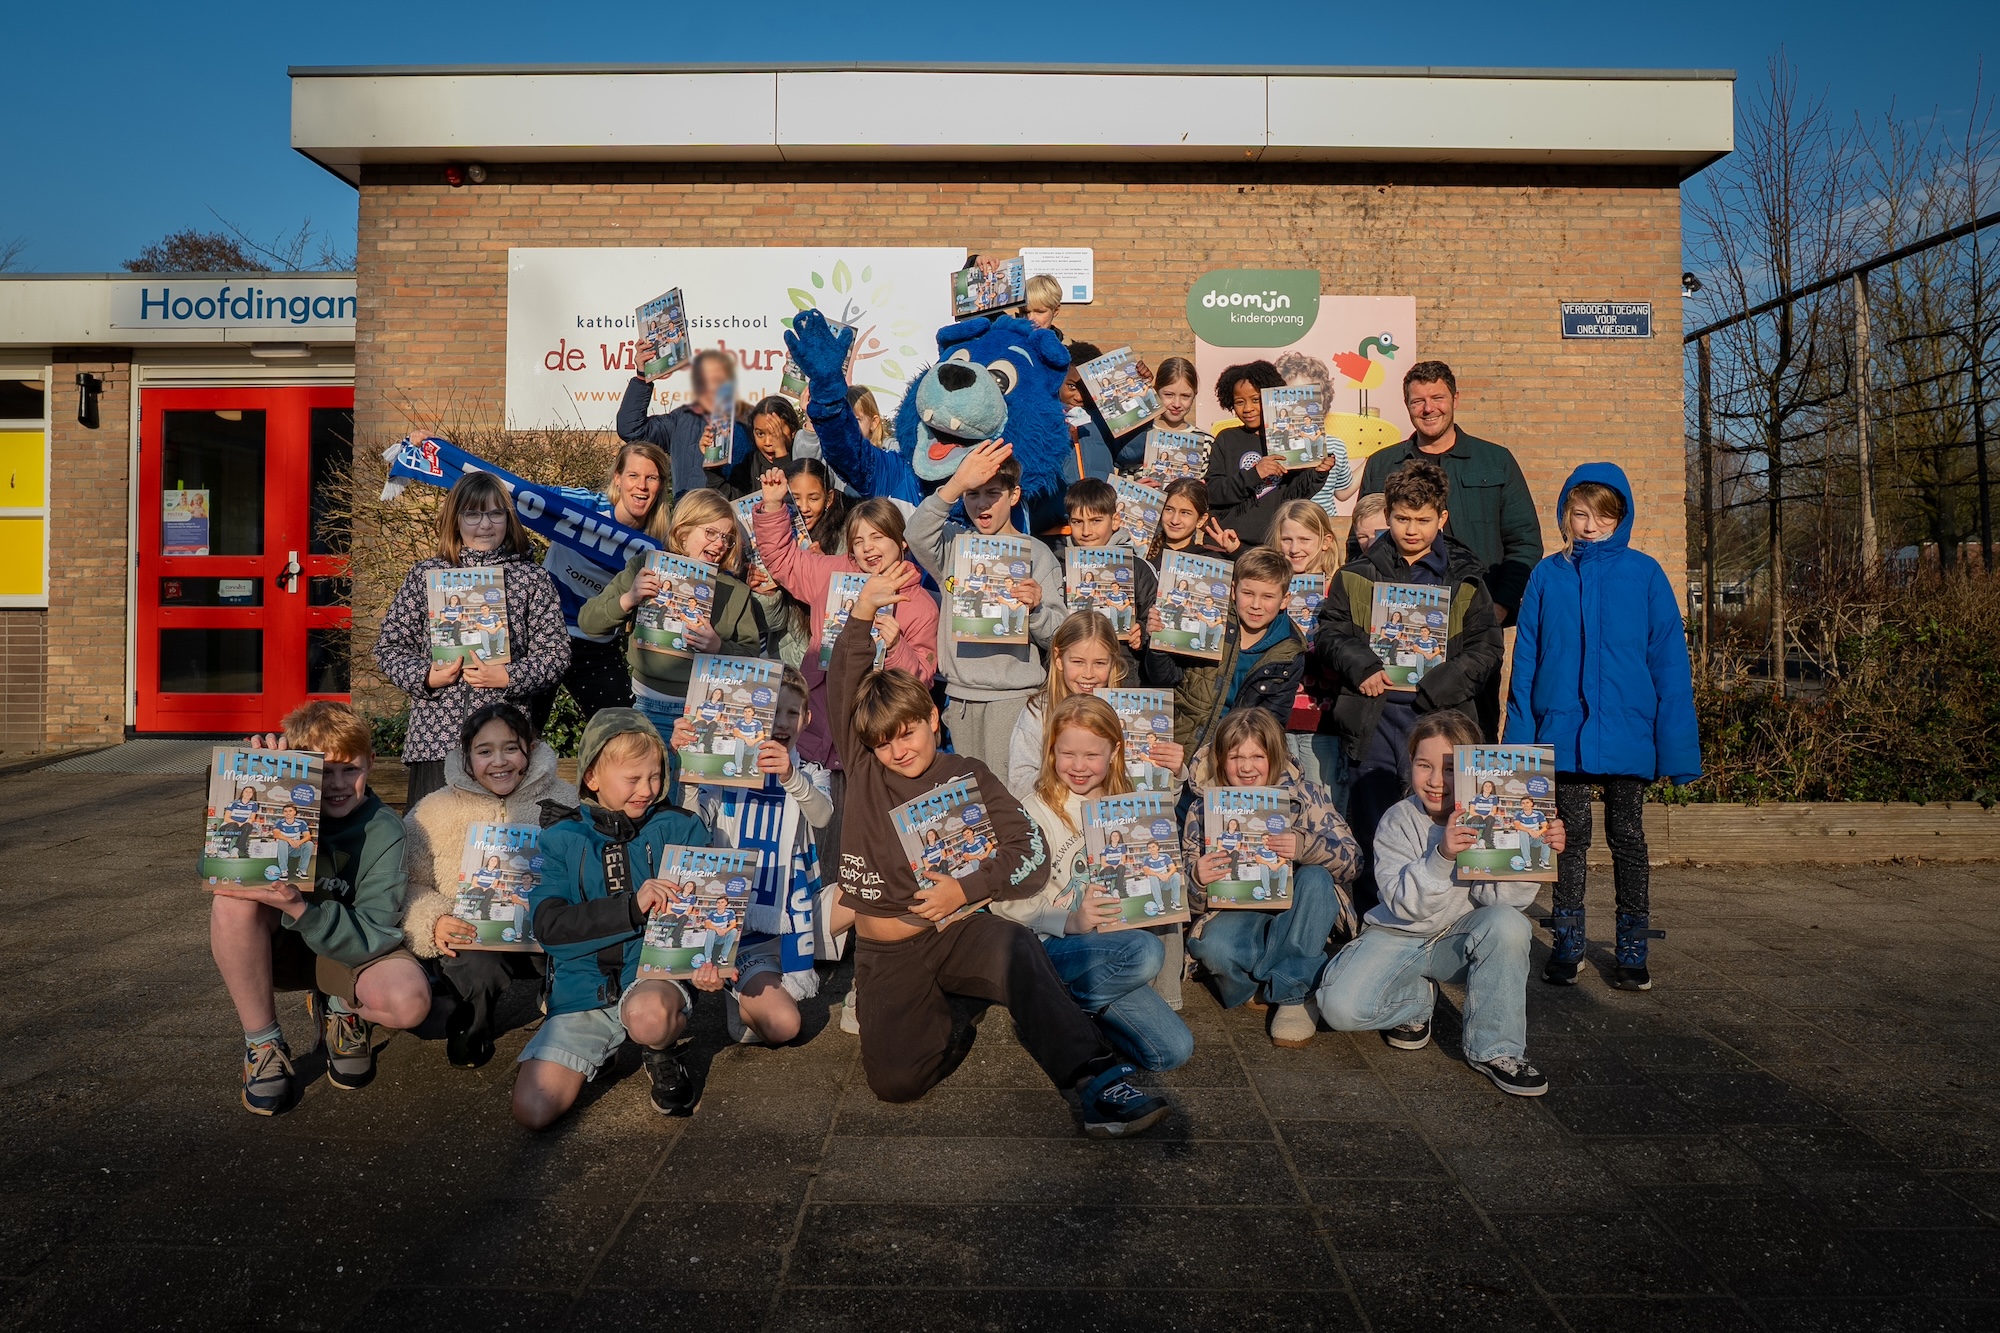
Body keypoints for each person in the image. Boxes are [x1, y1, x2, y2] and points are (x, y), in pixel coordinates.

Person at [826, 565, 1169, 1136]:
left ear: (933, 719)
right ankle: (954, 1009)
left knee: (1016, 948)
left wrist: (967, 888)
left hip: (960, 927)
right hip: (888, 953)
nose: (897, 748)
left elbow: (1027, 847)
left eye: (907, 732)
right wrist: (861, 618)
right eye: (883, 741)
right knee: (897, 1085)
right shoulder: (864, 770)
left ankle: (1098, 1081)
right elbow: (846, 682)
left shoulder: (969, 774)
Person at [1506, 463, 1700, 992]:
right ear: (1566, 513)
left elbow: (1669, 665)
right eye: (1580, 513)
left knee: (1628, 837)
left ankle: (1632, 945)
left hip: (1627, 732)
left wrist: (1677, 750)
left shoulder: (1645, 574)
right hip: (1562, 733)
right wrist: (1519, 749)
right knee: (1566, 840)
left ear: (1622, 518)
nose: (1589, 526)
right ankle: (1568, 942)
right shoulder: (1547, 574)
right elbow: (1526, 663)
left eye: (1602, 516)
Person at [1314, 711, 1563, 1096]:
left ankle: (1495, 1048)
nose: (1435, 781)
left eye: (1449, 769)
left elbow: (1504, 901)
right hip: (1398, 933)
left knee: (1511, 925)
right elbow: (1404, 906)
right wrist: (1442, 855)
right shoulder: (1398, 820)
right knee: (1338, 1008)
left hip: (1457, 939)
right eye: (1423, 765)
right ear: (1409, 764)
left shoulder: (1492, 816)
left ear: (1472, 770)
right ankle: (1415, 1000)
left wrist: (1534, 857)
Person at [212, 702, 431, 1115]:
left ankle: (342, 1010)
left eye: (351, 769)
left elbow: (376, 931)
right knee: (230, 900)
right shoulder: (281, 802)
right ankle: (263, 1045)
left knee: (410, 1004)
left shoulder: (385, 828)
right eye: (323, 771)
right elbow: (218, 866)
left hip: (351, 950)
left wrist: (304, 910)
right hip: (283, 947)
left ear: (370, 764)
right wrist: (259, 779)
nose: (337, 784)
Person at [1312, 460, 1501, 901]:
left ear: (1442, 519)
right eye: (1401, 519)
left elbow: (1487, 651)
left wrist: (1437, 687)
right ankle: (1372, 926)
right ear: (1388, 515)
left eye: (1422, 520)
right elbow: (1330, 633)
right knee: (1374, 829)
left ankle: (1442, 921)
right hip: (1374, 724)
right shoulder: (1358, 574)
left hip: (1439, 722)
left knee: (1440, 830)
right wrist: (1363, 667)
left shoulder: (1468, 581)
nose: (1411, 530)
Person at [517, 709, 714, 1127]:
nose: (647, 790)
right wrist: (629, 906)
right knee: (532, 1111)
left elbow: (703, 918)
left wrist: (708, 961)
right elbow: (550, 927)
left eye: (655, 776)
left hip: (648, 977)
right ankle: (599, 1049)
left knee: (649, 1017)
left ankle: (661, 1051)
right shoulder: (561, 837)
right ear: (592, 778)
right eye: (633, 779)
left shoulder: (681, 828)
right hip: (582, 987)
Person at [753, 467, 938, 890]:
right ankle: (814, 923)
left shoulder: (920, 605)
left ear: (901, 542)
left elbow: (924, 677)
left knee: (867, 839)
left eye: (879, 537)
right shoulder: (831, 573)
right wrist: (774, 506)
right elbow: (783, 561)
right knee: (818, 834)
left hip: (874, 743)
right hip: (820, 728)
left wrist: (897, 650)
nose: (869, 548)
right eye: (859, 540)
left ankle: (859, 921)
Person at [1005, 694, 1194, 1071]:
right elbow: (1005, 903)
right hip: (1053, 946)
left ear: (1114, 752)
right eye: (1066, 754)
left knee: (1173, 1051)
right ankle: (1057, 1008)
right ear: (1051, 752)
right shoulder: (1031, 810)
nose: (1078, 767)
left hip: (1112, 949)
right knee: (1146, 953)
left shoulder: (1130, 805)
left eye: (1092, 755)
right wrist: (1070, 921)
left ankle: (1057, 1012)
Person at [1356, 361, 1542, 738]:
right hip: (1397, 630)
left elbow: (1525, 543)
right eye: (1417, 401)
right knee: (1399, 736)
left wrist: (1499, 607)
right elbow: (1360, 543)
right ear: (1406, 405)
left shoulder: (1496, 460)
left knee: (1474, 732)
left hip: (1473, 630)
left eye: (1437, 397)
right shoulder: (1382, 464)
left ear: (1455, 398)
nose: (1428, 408)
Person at [373, 471, 571, 810]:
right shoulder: (426, 575)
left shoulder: (532, 579)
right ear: (455, 519)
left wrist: (509, 677)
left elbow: (556, 653)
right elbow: (389, 647)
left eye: (495, 513)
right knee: (432, 846)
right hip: (436, 742)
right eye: (473, 514)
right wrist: (427, 676)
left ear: (509, 519)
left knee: (494, 849)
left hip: (504, 749)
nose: (484, 525)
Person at [399, 701, 576, 1068]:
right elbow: (408, 882)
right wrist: (433, 920)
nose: (499, 761)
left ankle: (571, 1017)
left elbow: (583, 867)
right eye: (485, 751)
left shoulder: (563, 800)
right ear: (466, 756)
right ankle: (472, 1022)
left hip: (543, 923)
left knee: (577, 948)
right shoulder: (434, 810)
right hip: (472, 930)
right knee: (476, 963)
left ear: (529, 748)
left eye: (511, 748)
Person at [1181, 708, 1361, 1046]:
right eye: (1235, 757)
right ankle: (1279, 977)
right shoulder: (1202, 807)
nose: (1246, 767)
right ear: (1220, 760)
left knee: (1317, 879)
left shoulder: (1307, 795)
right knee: (1213, 947)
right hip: (1234, 910)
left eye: (1257, 756)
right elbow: (1187, 904)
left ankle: (1294, 995)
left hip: (1297, 908)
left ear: (1274, 756)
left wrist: (1304, 846)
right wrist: (1197, 878)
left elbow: (1354, 863)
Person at [671, 664, 831, 1044]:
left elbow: (822, 815)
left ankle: (868, 992)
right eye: (772, 711)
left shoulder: (811, 771)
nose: (781, 721)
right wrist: (692, 765)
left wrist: (792, 776)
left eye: (792, 712)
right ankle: (743, 993)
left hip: (796, 912)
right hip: (746, 927)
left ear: (806, 719)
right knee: (786, 1027)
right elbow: (691, 825)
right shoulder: (726, 772)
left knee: (863, 896)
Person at [906, 440, 1067, 774]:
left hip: (1015, 701)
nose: (981, 504)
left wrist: (1036, 610)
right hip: (961, 701)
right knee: (973, 808)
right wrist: (955, 484)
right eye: (972, 494)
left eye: (992, 493)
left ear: (1014, 495)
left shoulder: (1037, 554)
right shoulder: (953, 545)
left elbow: (1059, 638)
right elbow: (916, 534)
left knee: (1010, 801)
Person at [578, 489, 768, 743]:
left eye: (727, 538)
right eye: (710, 533)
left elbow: (751, 657)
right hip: (644, 706)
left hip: (701, 714)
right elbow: (588, 621)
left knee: (689, 785)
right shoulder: (645, 567)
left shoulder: (736, 592)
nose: (720, 544)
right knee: (651, 780)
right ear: (683, 532)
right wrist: (629, 598)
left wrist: (719, 647)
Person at [529, 441, 674, 733]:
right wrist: (437, 452)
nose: (642, 486)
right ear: (617, 479)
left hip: (597, 644)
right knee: (518, 732)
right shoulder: (583, 506)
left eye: (651, 478)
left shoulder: (664, 540)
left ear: (661, 485)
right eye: (633, 475)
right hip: (543, 635)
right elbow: (511, 491)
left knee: (625, 732)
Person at [1006, 609, 1189, 800]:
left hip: (1116, 823)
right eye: (1078, 661)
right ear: (1059, 659)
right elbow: (1017, 786)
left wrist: (1173, 774)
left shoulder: (1132, 711)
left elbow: (1158, 808)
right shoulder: (1039, 712)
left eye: (1100, 663)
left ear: (1112, 663)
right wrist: (1065, 773)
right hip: (1057, 821)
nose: (1088, 673)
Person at [1147, 546, 1305, 759]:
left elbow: (1272, 722)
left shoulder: (1290, 653)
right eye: (1248, 593)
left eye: (1268, 596)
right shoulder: (1213, 623)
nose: (1256, 605)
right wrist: (1159, 642)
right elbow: (1164, 680)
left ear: (1285, 600)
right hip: (1180, 746)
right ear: (1233, 591)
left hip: (1233, 758)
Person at [1269, 497, 1350, 811]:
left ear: (1326, 542)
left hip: (1324, 724)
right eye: (1286, 539)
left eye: (1304, 539)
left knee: (1324, 813)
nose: (1294, 548)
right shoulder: (1270, 591)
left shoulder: (1340, 591)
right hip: (1278, 719)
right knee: (1282, 812)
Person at [1205, 361, 1337, 548]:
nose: (1248, 408)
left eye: (1256, 399)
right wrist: (1254, 474)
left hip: (1270, 548)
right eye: (1240, 402)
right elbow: (1214, 492)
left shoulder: (1289, 439)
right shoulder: (1227, 439)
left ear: (1271, 399)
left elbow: (1293, 495)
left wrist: (1319, 473)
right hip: (1223, 544)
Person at [617, 347, 754, 500]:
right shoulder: (681, 419)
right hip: (689, 515)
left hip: (735, 516)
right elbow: (631, 429)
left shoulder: (750, 421)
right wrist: (642, 377)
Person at [1063, 478, 1159, 660]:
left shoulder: (1138, 567)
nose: (1086, 531)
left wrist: (1142, 631)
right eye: (1077, 522)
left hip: (1123, 667)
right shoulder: (1058, 565)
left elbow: (1153, 616)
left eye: (1096, 521)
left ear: (1115, 521)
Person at [1120, 356, 1213, 478]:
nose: (1176, 404)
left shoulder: (1207, 442)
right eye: (1169, 395)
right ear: (1156, 391)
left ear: (1194, 395)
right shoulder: (1138, 436)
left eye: (1185, 396)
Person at [721, 396, 802, 499]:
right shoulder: (750, 464)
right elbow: (729, 499)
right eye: (760, 434)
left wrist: (781, 454)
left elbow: (796, 500)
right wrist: (711, 468)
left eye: (775, 433)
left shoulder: (800, 457)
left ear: (793, 431)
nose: (767, 442)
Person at [1147, 478, 1240, 565]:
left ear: (1201, 520)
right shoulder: (1143, 552)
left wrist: (1236, 552)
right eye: (1169, 510)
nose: (1175, 521)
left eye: (1185, 513)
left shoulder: (1210, 561)